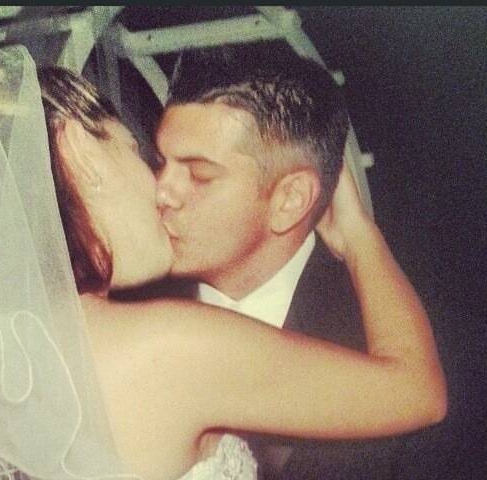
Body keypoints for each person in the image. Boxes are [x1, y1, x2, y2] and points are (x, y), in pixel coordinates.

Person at [0, 45, 445, 480]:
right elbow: (416, 389)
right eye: (140, 152)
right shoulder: (165, 343)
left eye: (195, 173)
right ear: (82, 153)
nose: (161, 190)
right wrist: (362, 235)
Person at [151, 44, 398, 478]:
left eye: (199, 174)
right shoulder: (122, 313)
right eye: (160, 164)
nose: (161, 192)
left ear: (289, 200)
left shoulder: (381, 341)